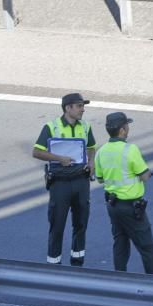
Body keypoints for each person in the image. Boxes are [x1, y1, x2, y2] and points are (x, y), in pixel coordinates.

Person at [94, 111, 153, 275]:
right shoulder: (130, 150)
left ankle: (119, 279)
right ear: (122, 130)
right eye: (127, 126)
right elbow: (144, 176)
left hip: (113, 205)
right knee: (147, 247)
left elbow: (100, 179)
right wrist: (147, 173)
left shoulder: (101, 151)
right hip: (131, 208)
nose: (128, 129)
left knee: (120, 242)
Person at [33, 92, 97, 266]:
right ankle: (54, 264)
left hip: (81, 181)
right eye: (79, 106)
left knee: (81, 223)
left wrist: (91, 161)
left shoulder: (85, 126)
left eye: (83, 106)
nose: (83, 110)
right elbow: (37, 152)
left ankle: (77, 261)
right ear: (68, 108)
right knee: (57, 225)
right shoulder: (51, 127)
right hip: (60, 183)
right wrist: (60, 158)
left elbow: (91, 147)